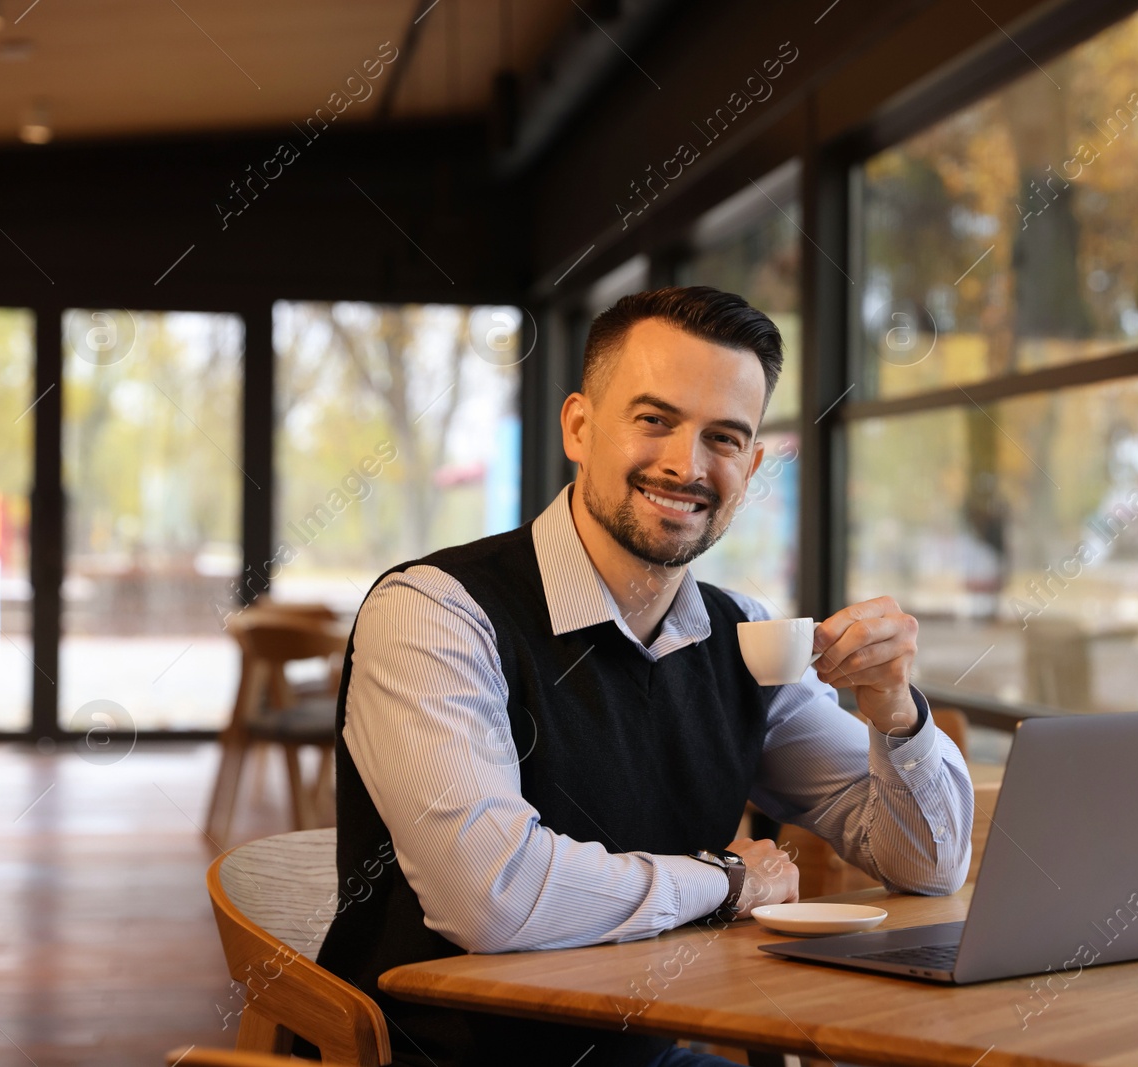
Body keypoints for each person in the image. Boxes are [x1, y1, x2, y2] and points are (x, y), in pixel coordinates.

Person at [317, 286, 975, 1066]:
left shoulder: (745, 634)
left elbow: (929, 866)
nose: (685, 465)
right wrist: (729, 881)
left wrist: (894, 708)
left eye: (724, 437)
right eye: (655, 420)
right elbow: (490, 897)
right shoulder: (436, 610)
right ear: (579, 427)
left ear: (753, 464)